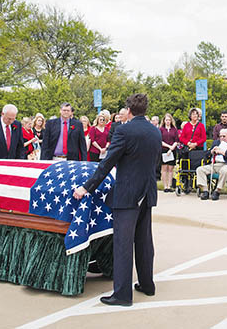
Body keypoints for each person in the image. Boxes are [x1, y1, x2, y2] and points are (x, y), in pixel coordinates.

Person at [73, 93, 162, 307]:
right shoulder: (154, 131)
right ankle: (147, 285)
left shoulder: (124, 131)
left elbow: (106, 163)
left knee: (123, 244)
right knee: (143, 241)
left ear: (129, 110)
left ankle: (122, 294)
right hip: (147, 192)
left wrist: (86, 187)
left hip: (127, 195)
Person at [196, 129, 227, 201]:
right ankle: (205, 190)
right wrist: (211, 151)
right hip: (215, 164)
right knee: (200, 169)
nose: (222, 138)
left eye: (224, 136)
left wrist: (223, 153)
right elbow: (206, 155)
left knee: (225, 171)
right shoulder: (216, 142)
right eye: (220, 136)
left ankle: (217, 191)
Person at [159, 113, 179, 193]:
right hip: (163, 150)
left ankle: (169, 185)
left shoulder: (174, 129)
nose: (168, 121)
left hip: (172, 151)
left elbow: (176, 140)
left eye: (169, 120)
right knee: (164, 168)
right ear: (164, 121)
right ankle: (165, 186)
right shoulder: (161, 129)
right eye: (166, 120)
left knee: (170, 169)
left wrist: (171, 148)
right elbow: (160, 140)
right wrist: (168, 147)